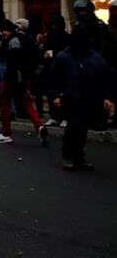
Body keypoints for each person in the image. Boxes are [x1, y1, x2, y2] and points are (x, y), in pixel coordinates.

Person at [49, 22, 116, 170]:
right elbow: (54, 79)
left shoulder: (94, 57)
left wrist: (107, 97)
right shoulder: (64, 57)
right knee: (74, 126)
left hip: (89, 97)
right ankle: (68, 155)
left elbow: (105, 78)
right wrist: (56, 96)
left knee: (82, 128)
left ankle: (78, 156)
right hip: (70, 97)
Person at [0, 20, 48, 145]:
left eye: (3, 31)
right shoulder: (25, 38)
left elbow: (13, 60)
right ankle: (39, 127)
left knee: (4, 101)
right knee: (27, 104)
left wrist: (1, 50)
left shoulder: (13, 41)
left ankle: (6, 133)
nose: (2, 34)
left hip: (13, 77)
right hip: (26, 77)